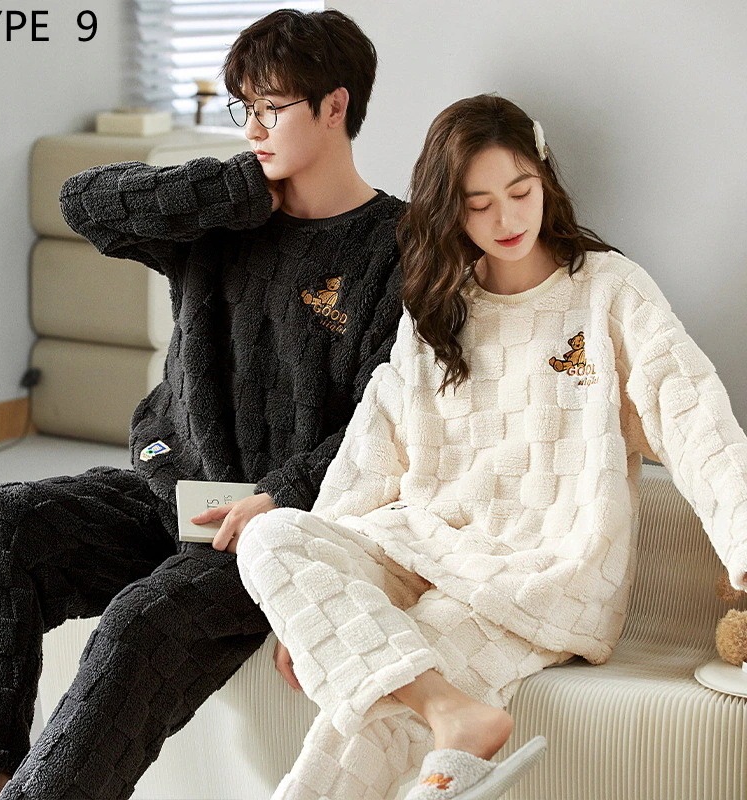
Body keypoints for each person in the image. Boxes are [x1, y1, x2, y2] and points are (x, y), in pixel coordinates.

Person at [0, 9, 406, 800]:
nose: (252, 129)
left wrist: (280, 497)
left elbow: (385, 423)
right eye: (245, 108)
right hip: (174, 496)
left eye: (272, 109)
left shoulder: (395, 248)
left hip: (278, 534)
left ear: (335, 105)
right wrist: (232, 185)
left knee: (141, 620)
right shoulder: (221, 217)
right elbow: (83, 201)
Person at [234, 94, 747, 800]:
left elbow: (694, 420)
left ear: (546, 180)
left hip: (538, 573)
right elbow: (373, 453)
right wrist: (316, 619)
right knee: (270, 537)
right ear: (450, 212)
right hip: (421, 543)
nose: (507, 220)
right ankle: (453, 715)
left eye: (521, 191)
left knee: (369, 720)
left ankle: (447, 736)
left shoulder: (610, 292)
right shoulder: (438, 307)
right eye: (479, 205)